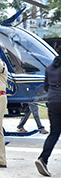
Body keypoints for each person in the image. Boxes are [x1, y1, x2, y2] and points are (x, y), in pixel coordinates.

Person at [35, 46, 61, 177]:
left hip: (52, 102)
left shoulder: (49, 68)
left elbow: (46, 87)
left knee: (54, 133)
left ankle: (43, 159)